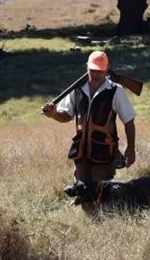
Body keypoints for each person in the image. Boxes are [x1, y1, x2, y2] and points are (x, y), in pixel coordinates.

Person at [41, 51, 136, 182]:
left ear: (107, 69)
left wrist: (131, 149)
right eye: (92, 70)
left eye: (100, 71)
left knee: (101, 195)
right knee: (82, 193)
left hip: (104, 153)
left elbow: (129, 121)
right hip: (80, 152)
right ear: (87, 67)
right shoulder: (77, 89)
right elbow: (67, 116)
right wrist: (54, 114)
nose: (96, 74)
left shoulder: (116, 90)